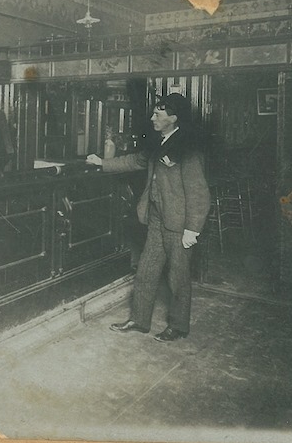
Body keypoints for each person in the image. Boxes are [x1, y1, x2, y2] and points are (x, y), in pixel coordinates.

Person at [87, 93, 210, 342]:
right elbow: (136, 160)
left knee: (177, 278)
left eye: (158, 114)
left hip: (179, 224)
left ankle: (178, 326)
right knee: (146, 271)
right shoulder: (159, 142)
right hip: (156, 219)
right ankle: (140, 320)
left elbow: (199, 193)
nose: (152, 117)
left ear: (173, 118)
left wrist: (192, 230)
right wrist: (102, 163)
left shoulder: (188, 148)